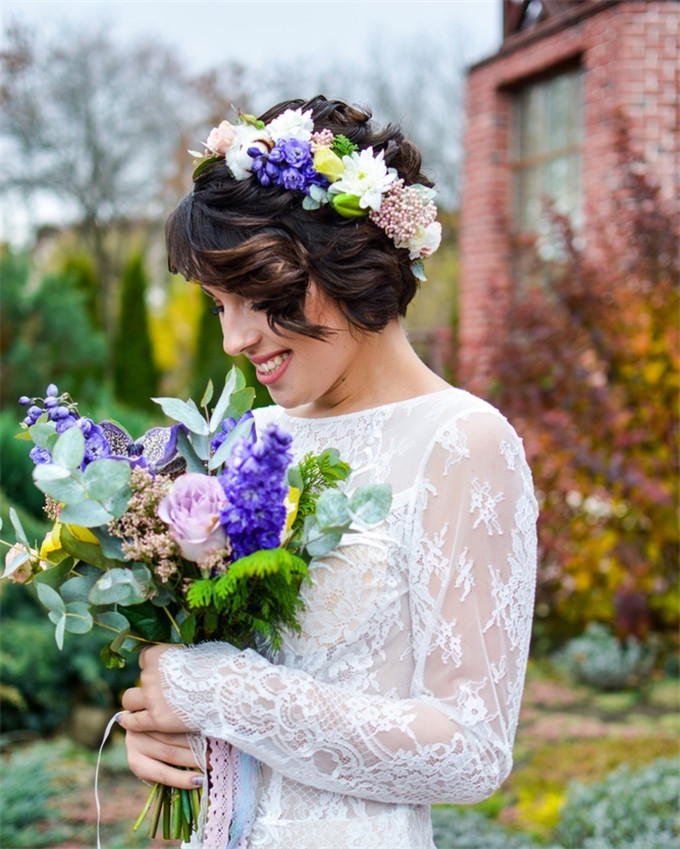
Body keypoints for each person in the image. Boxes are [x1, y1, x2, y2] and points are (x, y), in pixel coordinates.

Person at [117, 95, 538, 849]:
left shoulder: (465, 444)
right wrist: (163, 739)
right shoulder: (249, 441)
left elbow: (470, 750)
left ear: (347, 262)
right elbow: (205, 680)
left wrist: (217, 692)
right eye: (219, 306)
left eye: (262, 297)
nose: (237, 338)